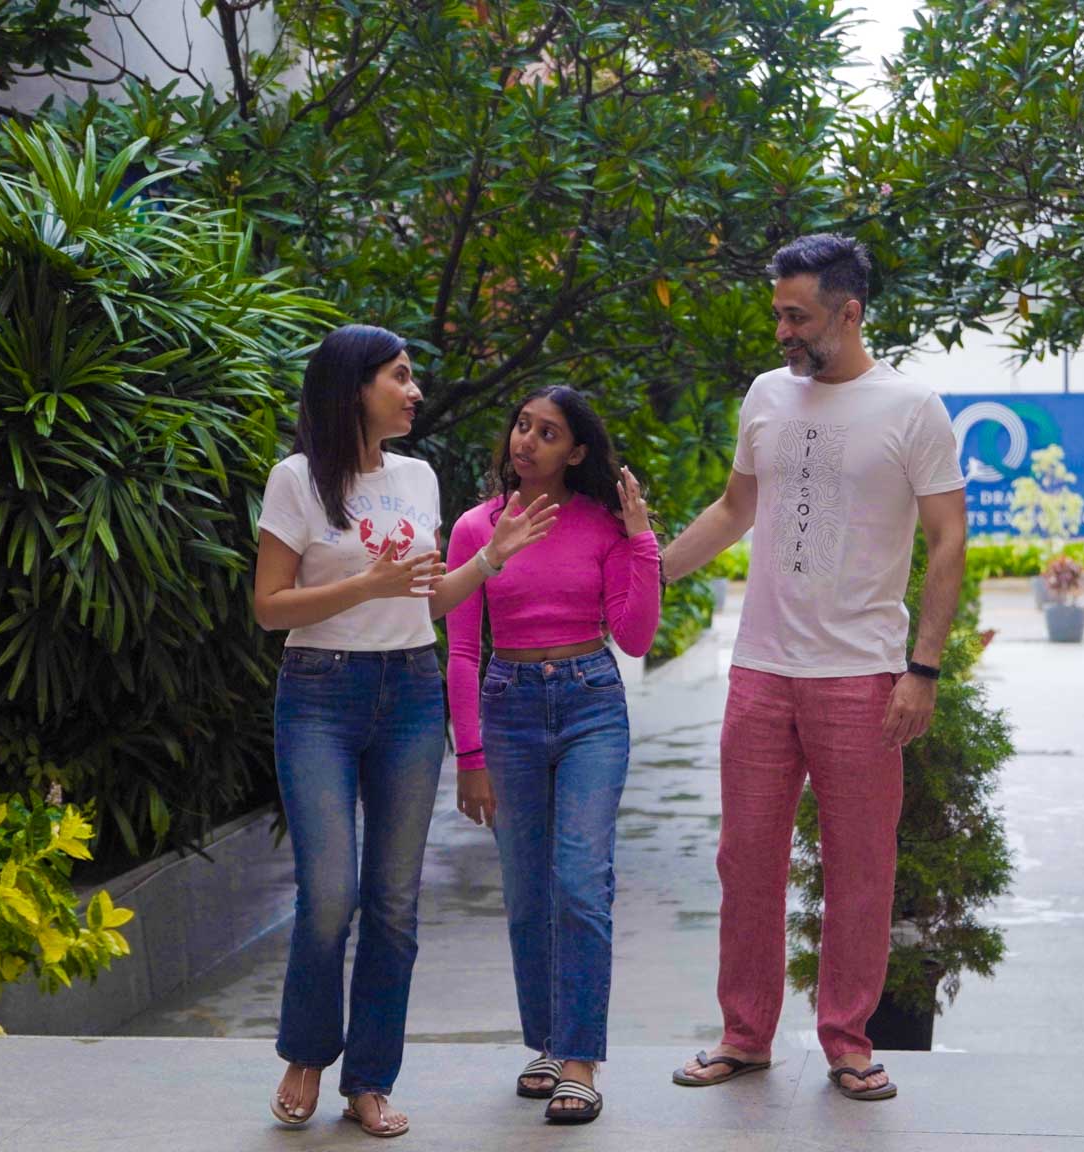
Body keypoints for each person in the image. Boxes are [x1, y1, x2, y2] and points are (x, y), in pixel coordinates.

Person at [659, 234, 968, 1102]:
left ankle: (847, 1039)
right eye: (779, 314)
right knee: (744, 858)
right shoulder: (766, 395)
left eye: (798, 316)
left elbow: (949, 540)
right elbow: (734, 507)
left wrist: (925, 668)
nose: (784, 331)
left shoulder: (913, 408)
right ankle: (744, 1034)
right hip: (760, 668)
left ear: (850, 310)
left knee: (860, 868)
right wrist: (649, 573)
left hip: (863, 676)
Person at [253, 324, 555, 1138]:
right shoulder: (297, 482)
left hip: (412, 692)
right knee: (330, 896)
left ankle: (370, 1080)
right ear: (355, 386)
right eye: (401, 376)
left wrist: (490, 558)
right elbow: (269, 607)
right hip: (319, 695)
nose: (415, 390)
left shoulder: (419, 478)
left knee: (392, 902)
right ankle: (307, 1055)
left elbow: (424, 600)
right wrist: (365, 583)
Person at [445, 386, 661, 1125]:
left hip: (590, 702)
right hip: (507, 706)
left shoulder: (603, 524)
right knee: (527, 891)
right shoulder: (478, 527)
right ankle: (546, 1041)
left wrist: (641, 541)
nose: (526, 441)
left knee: (579, 880)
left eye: (549, 432)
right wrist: (468, 753)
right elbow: (464, 649)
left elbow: (632, 638)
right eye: (522, 426)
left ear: (576, 451)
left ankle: (579, 1060)